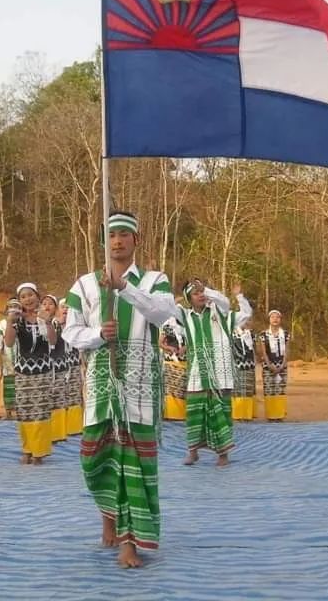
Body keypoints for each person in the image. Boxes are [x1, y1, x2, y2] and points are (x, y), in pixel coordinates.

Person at [63, 211, 176, 568]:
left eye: (125, 234)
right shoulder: (83, 285)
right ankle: (108, 515)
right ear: (103, 241)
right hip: (100, 386)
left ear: (136, 241)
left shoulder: (156, 280)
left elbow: (163, 315)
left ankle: (130, 542)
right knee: (94, 455)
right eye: (111, 234)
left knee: (134, 461)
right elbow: (71, 331)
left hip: (141, 387)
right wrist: (98, 335)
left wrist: (124, 288)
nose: (118, 240)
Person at [177, 279, 252, 467]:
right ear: (189, 299)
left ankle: (223, 455)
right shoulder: (185, 317)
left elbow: (244, 312)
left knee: (221, 415)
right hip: (197, 374)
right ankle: (193, 452)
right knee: (194, 412)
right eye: (196, 293)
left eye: (203, 292)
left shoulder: (221, 313)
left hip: (221, 374)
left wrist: (239, 296)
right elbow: (163, 309)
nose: (201, 295)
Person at [4, 283, 56, 464]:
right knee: (25, 411)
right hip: (23, 372)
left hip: (43, 371)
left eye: (30, 295)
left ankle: (39, 452)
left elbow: (53, 341)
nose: (28, 299)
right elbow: (9, 343)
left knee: (40, 411)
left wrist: (48, 321)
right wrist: (10, 323)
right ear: (19, 301)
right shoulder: (17, 320)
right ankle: (27, 449)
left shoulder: (45, 316)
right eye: (23, 296)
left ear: (37, 296)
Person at [56, 299, 84, 435]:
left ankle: (75, 427)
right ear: (58, 309)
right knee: (60, 395)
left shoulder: (77, 326)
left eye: (68, 307)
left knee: (74, 394)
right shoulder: (54, 324)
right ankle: (60, 428)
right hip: (59, 365)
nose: (66, 310)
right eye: (63, 307)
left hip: (74, 363)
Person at [42, 294, 68, 442]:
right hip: (45, 366)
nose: (47, 306)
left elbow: (54, 343)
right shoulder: (39, 323)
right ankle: (49, 432)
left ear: (56, 307)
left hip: (57, 365)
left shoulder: (56, 323)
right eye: (44, 303)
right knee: (48, 398)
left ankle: (58, 433)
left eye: (50, 304)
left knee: (58, 398)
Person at [256, 310, 289, 421]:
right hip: (268, 367)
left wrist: (283, 364)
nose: (275, 319)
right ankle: (271, 416)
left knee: (280, 389)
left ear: (280, 319)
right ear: (269, 320)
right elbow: (263, 352)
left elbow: (287, 351)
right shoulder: (263, 334)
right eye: (273, 317)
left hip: (282, 366)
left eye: (277, 317)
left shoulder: (285, 334)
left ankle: (279, 415)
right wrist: (269, 365)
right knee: (269, 390)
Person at [0, 298, 20, 419]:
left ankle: (20, 411)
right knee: (8, 385)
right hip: (7, 357)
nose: (13, 309)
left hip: (21, 358)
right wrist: (0, 354)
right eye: (11, 306)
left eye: (16, 306)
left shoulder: (22, 321)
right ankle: (8, 412)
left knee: (21, 384)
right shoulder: (3, 323)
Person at [160, 316, 188, 421]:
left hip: (184, 362)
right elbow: (160, 342)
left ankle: (180, 415)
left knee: (181, 391)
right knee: (170, 391)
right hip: (171, 361)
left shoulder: (189, 324)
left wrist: (185, 348)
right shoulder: (168, 325)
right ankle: (169, 415)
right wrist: (169, 348)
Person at [230, 323, 257, 422]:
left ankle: (247, 415)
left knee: (247, 390)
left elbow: (254, 350)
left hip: (249, 365)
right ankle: (237, 415)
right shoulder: (231, 333)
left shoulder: (251, 334)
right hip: (235, 365)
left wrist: (254, 364)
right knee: (237, 390)